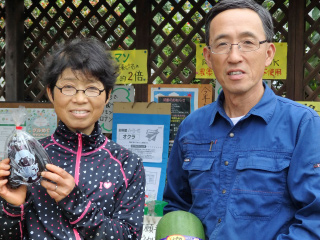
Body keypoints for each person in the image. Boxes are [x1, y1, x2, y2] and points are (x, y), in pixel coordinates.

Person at [163, 0, 320, 239]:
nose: (234, 56)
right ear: (207, 56)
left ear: (268, 53)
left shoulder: (302, 124)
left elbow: (314, 219)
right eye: (222, 44)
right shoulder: (191, 128)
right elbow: (177, 206)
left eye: (248, 43)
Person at [0, 37, 146, 239]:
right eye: (68, 87)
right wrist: (11, 207)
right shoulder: (28, 158)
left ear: (107, 95)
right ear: (51, 93)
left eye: (92, 88)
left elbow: (129, 235)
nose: (79, 98)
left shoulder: (127, 163)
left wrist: (76, 204)